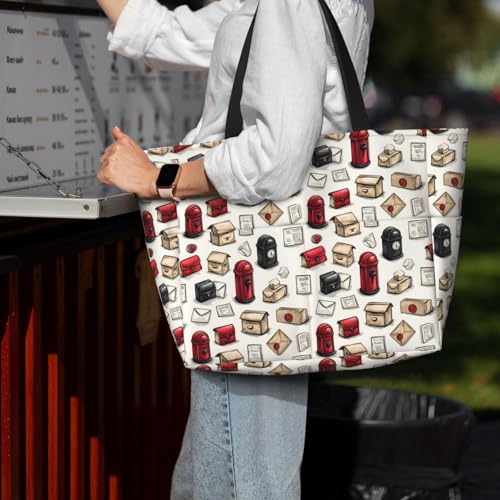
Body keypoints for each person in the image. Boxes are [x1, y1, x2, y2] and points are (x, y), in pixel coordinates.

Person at [96, 0, 374, 498]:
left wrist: (161, 178)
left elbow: (276, 157)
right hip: (278, 258)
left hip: (253, 263)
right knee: (219, 473)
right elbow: (168, 33)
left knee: (244, 480)